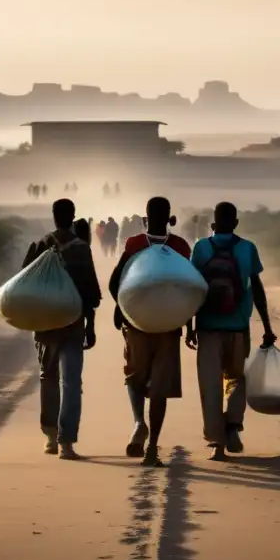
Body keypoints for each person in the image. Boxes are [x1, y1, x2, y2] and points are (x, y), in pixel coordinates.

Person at [187, 202, 277, 461]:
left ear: (213, 223)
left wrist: (190, 326)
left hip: (207, 326)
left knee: (210, 384)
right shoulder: (247, 248)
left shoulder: (201, 247)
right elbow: (257, 289)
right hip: (238, 326)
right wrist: (267, 327)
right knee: (237, 380)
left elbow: (193, 288)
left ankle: (217, 443)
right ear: (236, 223)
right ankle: (233, 426)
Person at [109, 197, 190, 467]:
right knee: (159, 387)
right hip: (169, 328)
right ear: (170, 218)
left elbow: (115, 281)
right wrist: (189, 326)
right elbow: (191, 290)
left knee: (134, 376)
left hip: (137, 326)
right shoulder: (179, 246)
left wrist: (121, 308)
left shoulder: (134, 244)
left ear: (145, 217)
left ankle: (138, 422)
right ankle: (153, 447)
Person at [22, 199, 102, 460]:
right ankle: (67, 442)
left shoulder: (40, 245)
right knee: (71, 382)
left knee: (48, 378)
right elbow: (91, 293)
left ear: (54, 216)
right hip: (74, 322)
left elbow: (24, 281)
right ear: (73, 216)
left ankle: (50, 437)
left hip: (45, 324)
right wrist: (90, 325)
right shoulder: (81, 249)